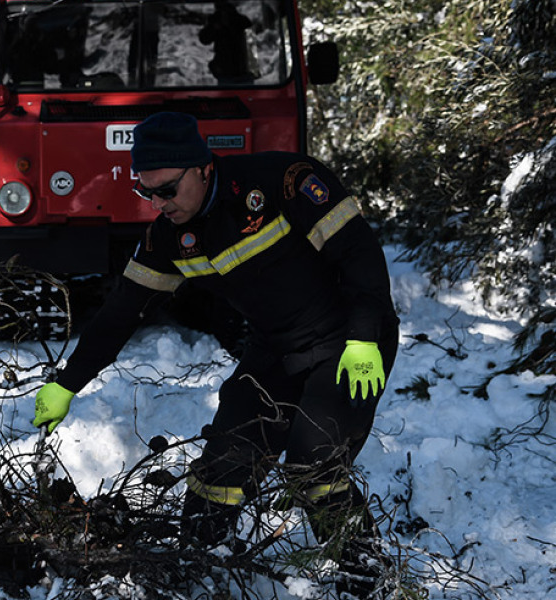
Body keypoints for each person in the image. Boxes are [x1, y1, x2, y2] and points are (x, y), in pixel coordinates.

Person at [31, 112, 399, 595]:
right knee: (224, 461)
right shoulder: (168, 238)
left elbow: (359, 255)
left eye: (167, 190)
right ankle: (199, 568)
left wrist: (365, 336)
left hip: (347, 343)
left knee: (314, 463)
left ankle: (369, 577)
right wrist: (66, 382)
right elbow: (121, 313)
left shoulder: (283, 182)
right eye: (147, 193)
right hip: (274, 349)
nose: (159, 204)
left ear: (203, 168)